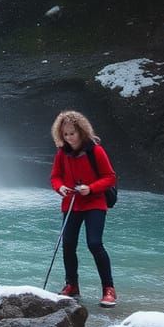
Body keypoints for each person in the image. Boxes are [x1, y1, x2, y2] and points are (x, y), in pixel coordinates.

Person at [49, 110, 118, 307]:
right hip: (72, 203)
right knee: (68, 244)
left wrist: (91, 188)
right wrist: (60, 187)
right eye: (65, 134)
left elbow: (110, 177)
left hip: (94, 202)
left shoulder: (95, 151)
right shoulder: (62, 153)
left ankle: (109, 289)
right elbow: (55, 176)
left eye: (72, 133)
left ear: (81, 131)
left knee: (94, 243)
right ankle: (72, 285)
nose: (69, 138)